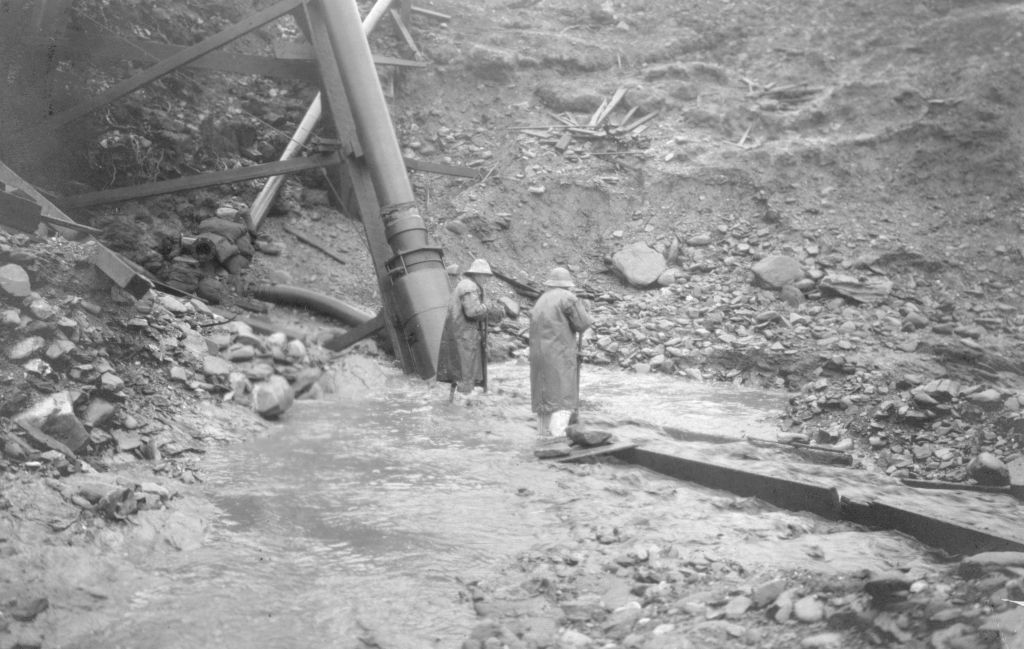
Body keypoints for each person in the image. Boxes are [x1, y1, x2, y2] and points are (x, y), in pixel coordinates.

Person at [529, 267, 594, 438]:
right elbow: (583, 324)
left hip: (538, 355)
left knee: (544, 397)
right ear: (568, 285)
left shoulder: (542, 299)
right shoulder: (568, 298)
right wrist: (585, 308)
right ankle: (558, 437)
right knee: (562, 396)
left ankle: (542, 436)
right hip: (559, 354)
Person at [436, 259, 505, 403]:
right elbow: (472, 312)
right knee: (465, 376)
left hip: (458, 336)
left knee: (458, 375)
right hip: (464, 339)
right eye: (485, 276)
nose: (486, 279)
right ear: (478, 274)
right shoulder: (470, 287)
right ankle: (463, 413)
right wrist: (486, 307)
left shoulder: (464, 284)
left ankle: (452, 405)